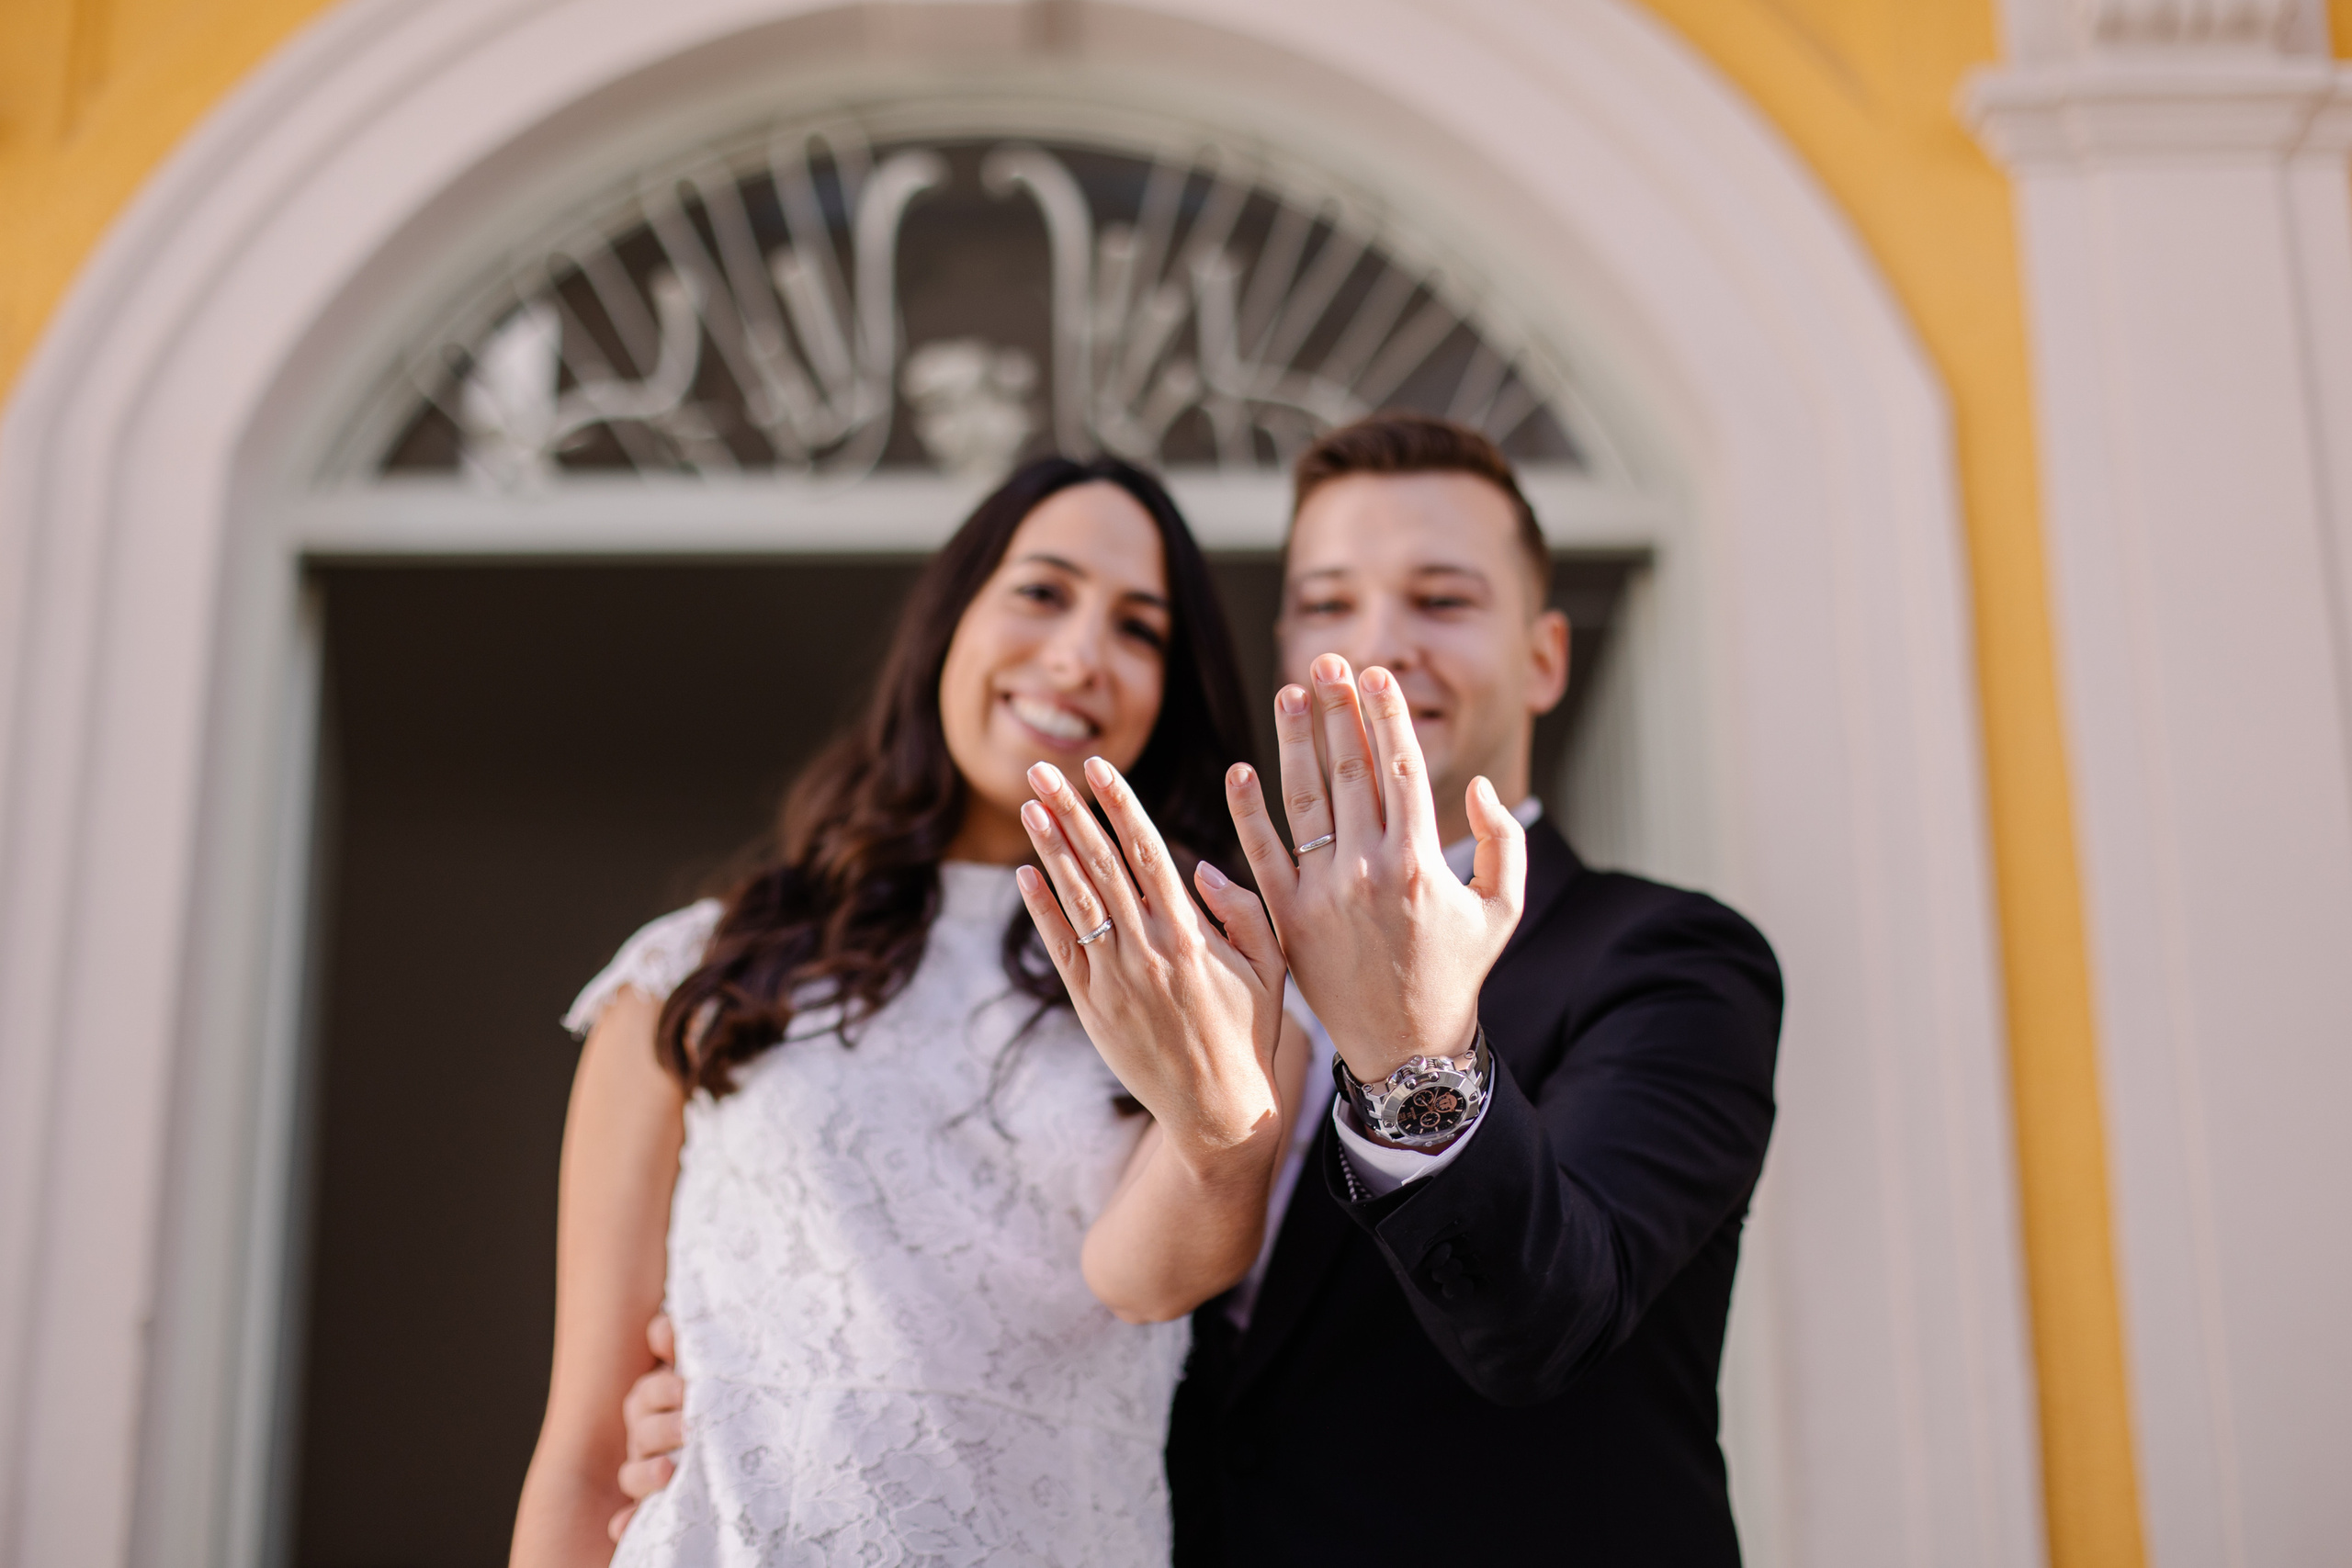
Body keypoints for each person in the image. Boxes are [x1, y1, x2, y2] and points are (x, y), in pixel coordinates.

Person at [615, 415, 1784, 1566]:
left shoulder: (1669, 960)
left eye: (1441, 600)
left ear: (1543, 656)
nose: (1375, 643)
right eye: (1327, 603)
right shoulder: (1180, 957)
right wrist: (753, 1402)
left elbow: (1547, 1324)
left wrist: (1412, 1048)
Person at [510, 456, 1311, 1566]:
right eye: (1041, 590)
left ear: (1169, 693)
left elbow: (1144, 1279)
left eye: (1139, 630)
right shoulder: (695, 969)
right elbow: (590, 1448)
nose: (1079, 654)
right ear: (951, 618)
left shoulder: (1209, 980)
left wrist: (1222, 1125)